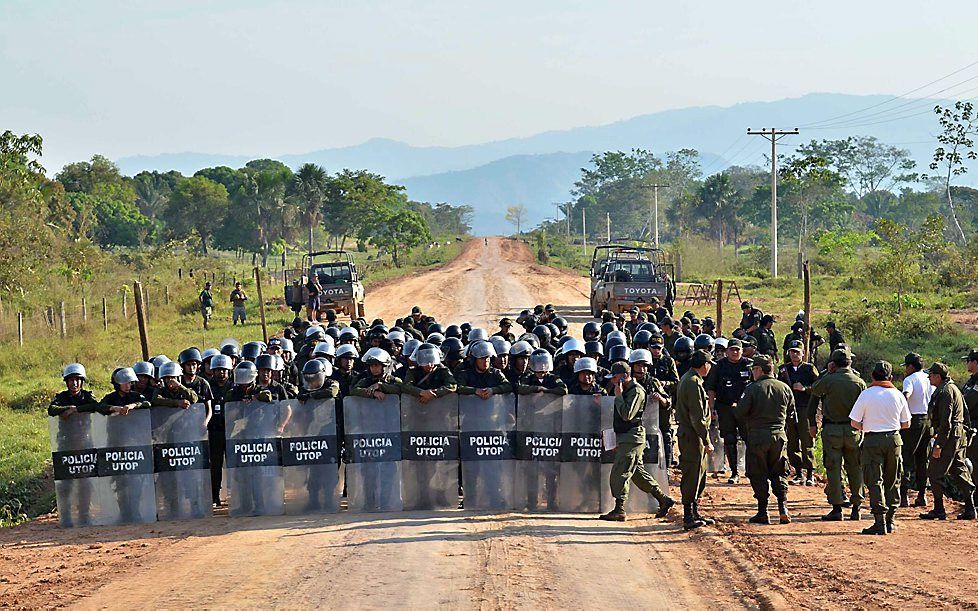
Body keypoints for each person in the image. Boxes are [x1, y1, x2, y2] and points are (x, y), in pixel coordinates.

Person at [599, 362, 676, 521]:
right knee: (637, 473)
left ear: (624, 376)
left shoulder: (636, 392)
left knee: (620, 471)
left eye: (615, 378)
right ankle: (663, 499)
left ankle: (619, 509)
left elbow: (628, 415)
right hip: (626, 436)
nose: (612, 381)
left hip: (632, 437)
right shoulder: (627, 390)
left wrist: (619, 396)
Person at [849, 361, 911, 535]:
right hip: (894, 439)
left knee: (875, 480)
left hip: (872, 440)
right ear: (890, 377)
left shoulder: (866, 394)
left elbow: (854, 422)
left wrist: (868, 426)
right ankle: (890, 520)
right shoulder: (898, 395)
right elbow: (906, 424)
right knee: (893, 480)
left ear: (872, 376)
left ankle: (879, 522)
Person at [809, 349, 866, 521]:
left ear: (833, 363)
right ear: (850, 363)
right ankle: (857, 508)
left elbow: (814, 396)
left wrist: (812, 424)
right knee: (855, 468)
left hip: (832, 430)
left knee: (833, 468)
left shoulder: (828, 380)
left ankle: (837, 508)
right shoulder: (859, 382)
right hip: (853, 430)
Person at [735, 355, 793, 525]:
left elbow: (740, 413)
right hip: (779, 436)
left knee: (758, 472)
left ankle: (763, 511)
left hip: (758, 436)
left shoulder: (752, 388)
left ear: (759, 370)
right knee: (780, 471)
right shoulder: (784, 388)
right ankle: (783, 508)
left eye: (754, 369)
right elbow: (791, 413)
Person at [920, 362, 976, 521]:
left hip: (950, 437)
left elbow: (946, 423)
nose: (929, 378)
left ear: (938, 376)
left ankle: (939, 508)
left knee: (934, 472)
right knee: (959, 471)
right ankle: (970, 508)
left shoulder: (945, 392)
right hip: (958, 436)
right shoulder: (953, 388)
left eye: (930, 375)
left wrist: (938, 445)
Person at [675, 350, 714, 531]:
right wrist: (706, 440)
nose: (710, 367)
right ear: (704, 364)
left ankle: (695, 512)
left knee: (699, 473)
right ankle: (688, 515)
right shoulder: (692, 383)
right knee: (692, 473)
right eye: (709, 363)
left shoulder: (692, 379)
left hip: (693, 435)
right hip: (692, 436)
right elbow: (697, 417)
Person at [705, 338, 752, 484]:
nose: (735, 352)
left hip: (745, 409)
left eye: (737, 349)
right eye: (732, 349)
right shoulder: (719, 366)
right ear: (726, 351)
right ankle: (734, 472)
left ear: (742, 351)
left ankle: (751, 469)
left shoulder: (749, 365)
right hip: (725, 407)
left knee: (749, 439)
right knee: (729, 439)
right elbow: (711, 389)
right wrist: (711, 408)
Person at [778, 340, 819, 485]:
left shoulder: (809, 368)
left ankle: (810, 474)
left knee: (807, 440)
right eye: (792, 351)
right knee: (792, 441)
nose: (794, 354)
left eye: (797, 352)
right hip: (789, 409)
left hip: (805, 408)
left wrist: (805, 388)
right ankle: (799, 472)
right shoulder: (784, 369)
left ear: (803, 353)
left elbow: (819, 387)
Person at [900, 352, 933, 508]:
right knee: (922, 459)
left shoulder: (909, 380)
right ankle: (922, 494)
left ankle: (904, 495)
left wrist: (901, 413)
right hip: (927, 420)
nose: (905, 370)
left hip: (913, 421)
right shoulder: (928, 379)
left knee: (906, 457)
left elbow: (906, 395)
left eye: (906, 366)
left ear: (911, 366)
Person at [959, 349, 978, 513]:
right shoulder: (972, 380)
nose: (967, 364)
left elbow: (967, 403)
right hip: (970, 427)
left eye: (969, 360)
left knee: (975, 464)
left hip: (975, 427)